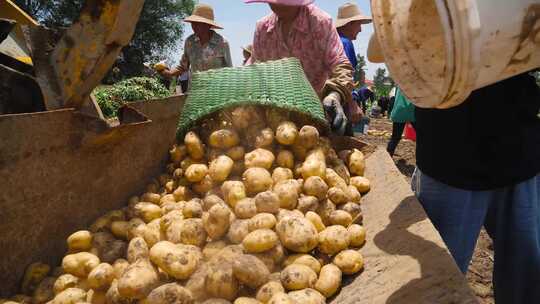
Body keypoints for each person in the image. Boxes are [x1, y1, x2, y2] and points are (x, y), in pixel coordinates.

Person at [370, 31, 540, 303]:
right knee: (437, 280)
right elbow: (381, 47)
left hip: (516, 147)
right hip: (449, 156)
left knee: (525, 279)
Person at [246, 0, 355, 135]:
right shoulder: (263, 28)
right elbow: (254, 70)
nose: (278, 4)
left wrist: (334, 94)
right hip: (276, 119)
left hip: (316, 116)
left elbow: (340, 64)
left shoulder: (320, 22)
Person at [160, 4, 232, 83]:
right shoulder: (190, 42)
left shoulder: (222, 43)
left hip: (216, 91)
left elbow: (230, 70)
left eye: (197, 23)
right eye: (192, 23)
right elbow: (183, 66)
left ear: (208, 25)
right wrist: (169, 73)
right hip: (196, 90)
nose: (193, 26)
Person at [335, 2, 371, 135]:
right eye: (358, 24)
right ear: (349, 24)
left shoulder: (332, 41)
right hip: (339, 104)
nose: (361, 30)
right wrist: (352, 105)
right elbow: (342, 78)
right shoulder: (345, 42)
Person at [386, 88, 415, 157]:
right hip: (413, 111)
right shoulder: (416, 82)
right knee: (422, 137)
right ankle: (423, 161)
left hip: (399, 111)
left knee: (395, 137)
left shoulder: (399, 83)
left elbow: (392, 98)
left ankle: (388, 156)